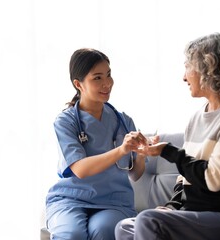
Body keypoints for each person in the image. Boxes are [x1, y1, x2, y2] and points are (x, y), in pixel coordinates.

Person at [115, 32, 220, 240]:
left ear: (208, 68)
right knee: (124, 227)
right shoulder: (197, 117)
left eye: (187, 67)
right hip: (198, 216)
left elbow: (215, 179)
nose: (184, 77)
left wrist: (168, 151)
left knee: (148, 221)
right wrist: (171, 207)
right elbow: (186, 176)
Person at [45, 48, 148, 240]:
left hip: (113, 201)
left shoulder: (123, 121)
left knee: (103, 230)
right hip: (70, 199)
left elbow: (135, 174)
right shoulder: (66, 122)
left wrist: (141, 155)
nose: (107, 83)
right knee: (71, 234)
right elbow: (80, 170)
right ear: (79, 84)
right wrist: (121, 150)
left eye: (108, 75)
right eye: (97, 78)